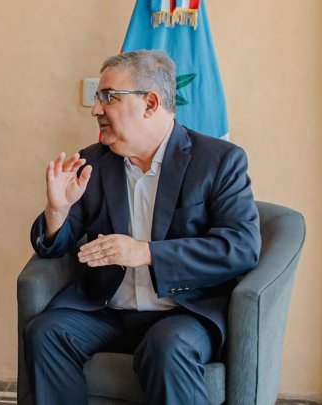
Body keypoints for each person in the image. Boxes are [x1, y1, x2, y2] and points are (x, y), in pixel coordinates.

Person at [24, 50, 261, 404]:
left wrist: (146, 252)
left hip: (183, 313)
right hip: (107, 310)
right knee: (45, 332)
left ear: (150, 103)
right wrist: (57, 210)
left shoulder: (219, 161)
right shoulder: (94, 161)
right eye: (96, 97)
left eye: (107, 97)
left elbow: (241, 247)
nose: (95, 109)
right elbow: (55, 245)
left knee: (166, 346)